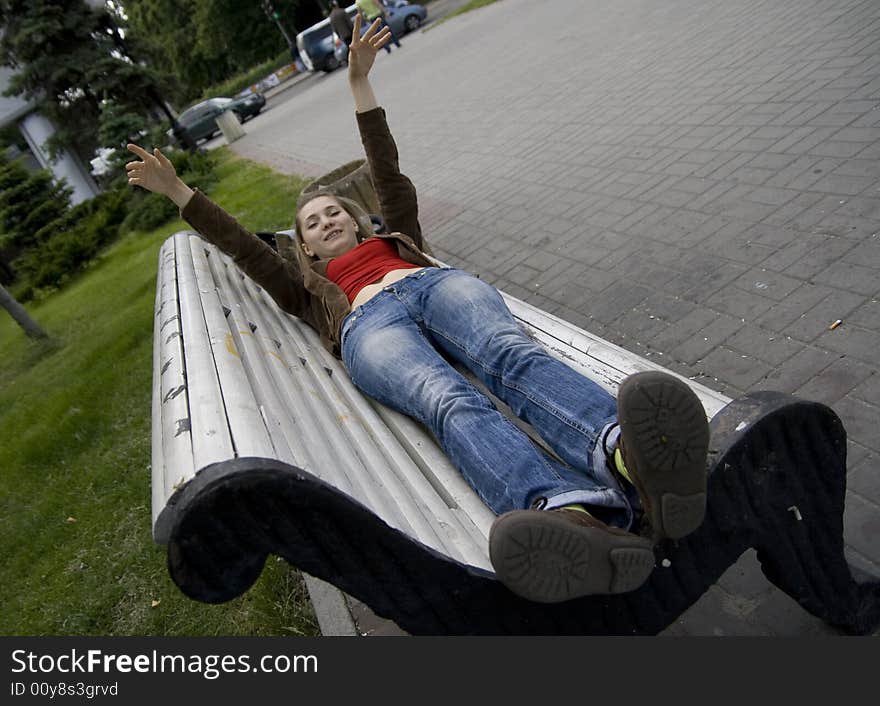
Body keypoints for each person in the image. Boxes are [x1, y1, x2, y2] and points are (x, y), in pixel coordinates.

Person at [125, 16, 710, 604]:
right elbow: (245, 248)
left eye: (334, 212)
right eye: (312, 223)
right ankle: (570, 517)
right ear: (303, 246)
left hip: (429, 286)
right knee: (446, 399)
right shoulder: (306, 289)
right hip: (366, 324)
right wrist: (179, 193)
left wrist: (360, 87)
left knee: (506, 354)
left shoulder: (397, 235)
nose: (327, 220)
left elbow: (384, 168)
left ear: (357, 220)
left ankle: (629, 458)